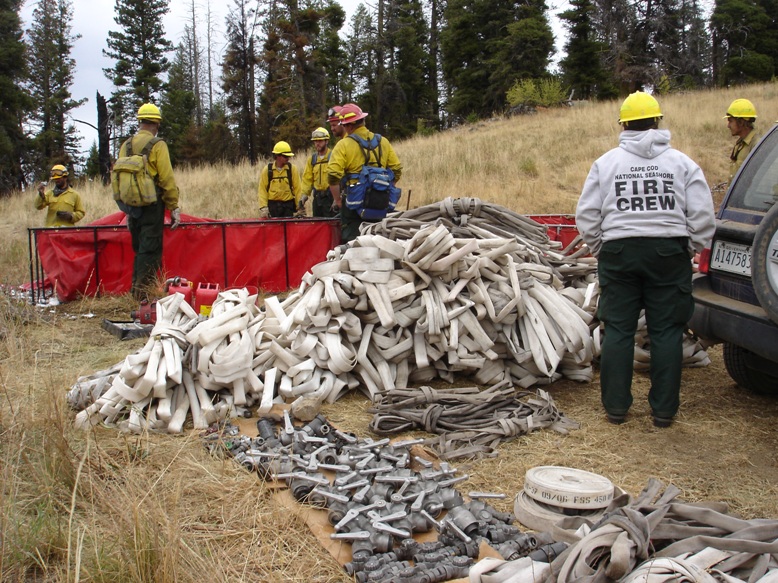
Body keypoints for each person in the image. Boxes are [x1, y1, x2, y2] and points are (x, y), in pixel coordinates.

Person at [575, 91, 715, 428]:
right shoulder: (681, 163)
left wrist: (601, 247)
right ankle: (664, 413)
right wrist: (689, 248)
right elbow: (703, 216)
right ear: (657, 122)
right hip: (669, 252)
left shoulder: (606, 164)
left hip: (619, 252)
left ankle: (616, 409)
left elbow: (587, 215)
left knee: (619, 330)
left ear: (623, 124)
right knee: (667, 330)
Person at [115, 103, 181, 300]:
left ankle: (136, 291)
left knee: (139, 249)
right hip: (152, 206)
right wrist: (174, 206)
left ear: (140, 121)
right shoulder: (158, 145)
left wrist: (127, 211)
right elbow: (166, 179)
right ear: (157, 124)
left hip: (132, 207)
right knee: (150, 250)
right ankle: (145, 295)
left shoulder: (125, 146)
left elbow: (121, 179)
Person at [327, 103, 402, 243]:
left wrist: (337, 200)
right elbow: (396, 170)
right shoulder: (383, 142)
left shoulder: (343, 145)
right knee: (379, 240)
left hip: (353, 204)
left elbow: (333, 176)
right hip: (380, 202)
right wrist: (382, 186)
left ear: (348, 126)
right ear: (362, 121)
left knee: (353, 242)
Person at [300, 127, 337, 217]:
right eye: (315, 141)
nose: (317, 143)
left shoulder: (334, 156)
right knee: (318, 226)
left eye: (320, 141)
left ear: (326, 141)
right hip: (317, 200)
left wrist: (337, 198)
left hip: (330, 199)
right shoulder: (312, 160)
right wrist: (304, 197)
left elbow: (339, 178)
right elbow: (307, 180)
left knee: (331, 226)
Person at [258, 141, 301, 218]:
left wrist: (300, 207)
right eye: (285, 156)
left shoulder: (292, 169)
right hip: (272, 208)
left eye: (289, 156)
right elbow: (262, 190)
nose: (288, 158)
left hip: (288, 208)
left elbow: (298, 189)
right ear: (277, 156)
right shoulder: (267, 170)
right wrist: (264, 208)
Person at [725, 98, 759, 182]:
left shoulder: (757, 145)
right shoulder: (740, 144)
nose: (728, 126)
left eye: (730, 121)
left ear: (741, 122)